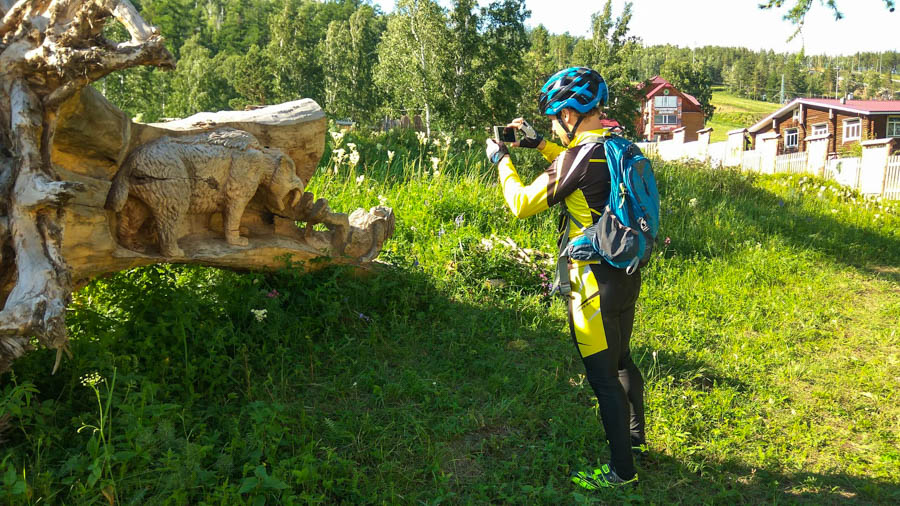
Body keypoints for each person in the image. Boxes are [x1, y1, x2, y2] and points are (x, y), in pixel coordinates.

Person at [485, 67, 646, 489]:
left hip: (591, 283)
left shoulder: (577, 156)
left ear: (571, 113)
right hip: (626, 272)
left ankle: (621, 472)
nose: (556, 126)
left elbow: (521, 203)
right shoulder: (615, 146)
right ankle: (635, 441)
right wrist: (539, 144)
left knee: (602, 378)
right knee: (623, 359)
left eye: (557, 118)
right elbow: (576, 168)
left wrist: (502, 160)